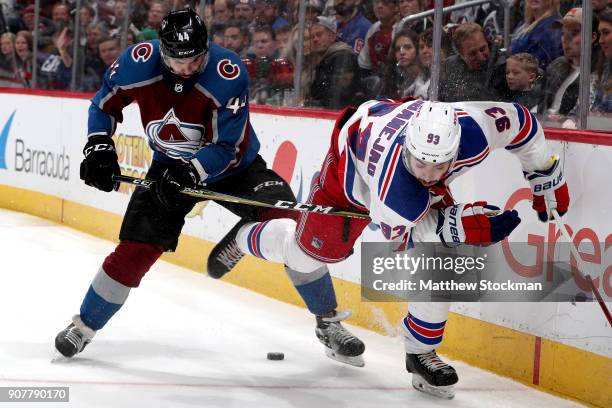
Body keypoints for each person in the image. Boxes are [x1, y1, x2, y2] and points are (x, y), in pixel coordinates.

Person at [54, 8, 365, 367]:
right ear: (161, 50)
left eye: (195, 59)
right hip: (168, 167)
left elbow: (226, 148)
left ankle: (328, 322)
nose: (187, 68)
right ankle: (83, 325)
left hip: (236, 168)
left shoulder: (226, 72)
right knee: (136, 249)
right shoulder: (138, 62)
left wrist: (191, 173)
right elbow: (104, 102)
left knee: (296, 228)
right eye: (177, 60)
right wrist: (98, 144)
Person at [207, 98, 570, 398]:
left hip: (385, 134)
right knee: (310, 255)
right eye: (421, 163)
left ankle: (421, 353)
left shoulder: (475, 129)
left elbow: (521, 122)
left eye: (438, 165)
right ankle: (248, 235)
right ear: (407, 148)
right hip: (351, 167)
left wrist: (543, 172)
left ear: (456, 148)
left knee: (441, 262)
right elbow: (407, 234)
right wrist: (459, 225)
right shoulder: (397, 192)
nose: (428, 173)